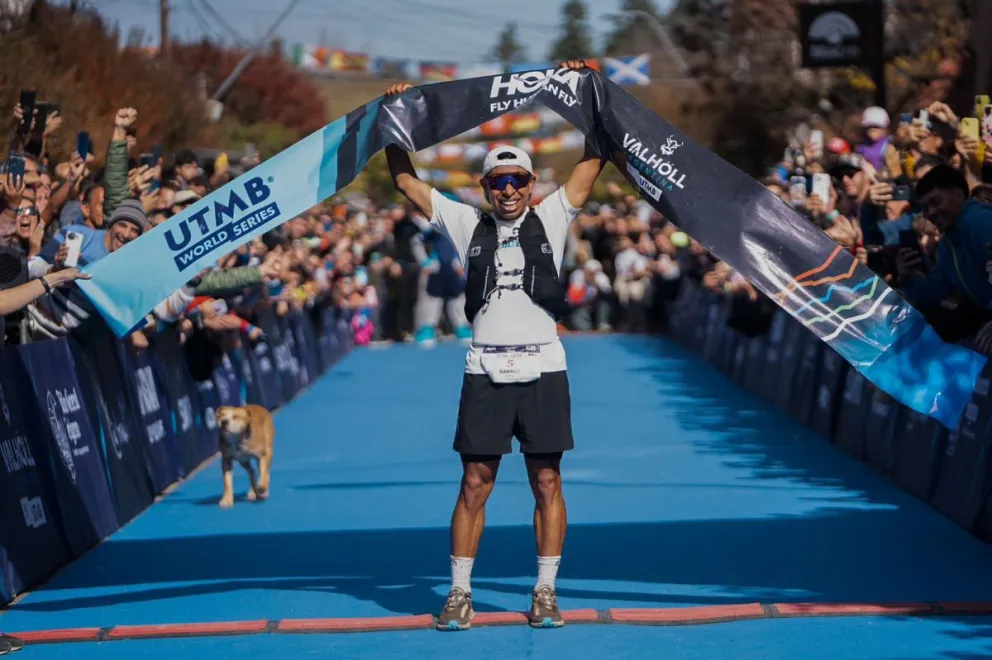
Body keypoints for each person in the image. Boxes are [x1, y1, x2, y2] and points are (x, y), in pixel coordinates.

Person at [383, 59, 606, 631]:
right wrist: (397, 120)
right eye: (497, 181)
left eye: (518, 181)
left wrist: (588, 89)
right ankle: (459, 592)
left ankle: (545, 591)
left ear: (533, 187)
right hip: (485, 370)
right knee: (475, 482)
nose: (508, 189)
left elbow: (595, 154)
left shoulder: (555, 216)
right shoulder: (465, 224)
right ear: (485, 188)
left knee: (547, 481)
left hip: (543, 369)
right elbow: (406, 181)